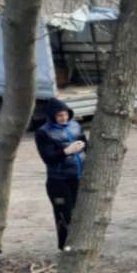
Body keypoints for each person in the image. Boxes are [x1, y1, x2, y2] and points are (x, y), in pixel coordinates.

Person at [35, 98, 87, 250]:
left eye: (65, 115)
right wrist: (66, 151)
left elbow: (87, 146)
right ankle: (65, 246)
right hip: (58, 180)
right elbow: (48, 158)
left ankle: (79, 243)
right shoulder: (43, 132)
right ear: (52, 116)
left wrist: (84, 147)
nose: (64, 118)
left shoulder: (75, 126)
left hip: (78, 177)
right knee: (64, 214)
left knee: (81, 212)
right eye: (59, 116)